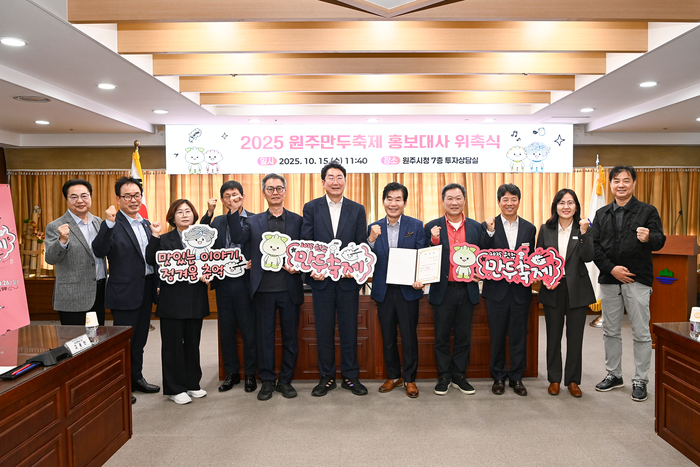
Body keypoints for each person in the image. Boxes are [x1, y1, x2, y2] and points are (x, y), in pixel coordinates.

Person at [591, 165, 665, 402]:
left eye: (625, 180)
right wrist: (612, 269)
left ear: (633, 183)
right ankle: (614, 375)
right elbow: (594, 247)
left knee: (641, 332)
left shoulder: (647, 211)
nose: (620, 185)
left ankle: (640, 380)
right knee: (610, 331)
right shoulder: (601, 214)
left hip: (637, 280)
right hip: (609, 279)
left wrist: (649, 237)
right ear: (611, 184)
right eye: (616, 180)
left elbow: (660, 240)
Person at [227, 174, 305, 401]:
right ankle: (268, 381)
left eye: (279, 188)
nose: (275, 192)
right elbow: (238, 237)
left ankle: (286, 381)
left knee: (290, 339)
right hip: (262, 290)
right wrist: (234, 211)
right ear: (263, 193)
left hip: (289, 289)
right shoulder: (253, 221)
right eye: (270, 189)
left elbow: (306, 249)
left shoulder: (298, 221)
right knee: (265, 339)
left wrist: (298, 267)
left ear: (285, 191)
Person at [301, 160, 369, 396]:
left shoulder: (357, 209)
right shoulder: (311, 207)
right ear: (323, 182)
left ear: (345, 181)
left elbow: (361, 244)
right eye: (330, 177)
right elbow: (307, 243)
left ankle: (351, 376)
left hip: (348, 281)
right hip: (322, 281)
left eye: (339, 177)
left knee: (350, 330)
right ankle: (327, 377)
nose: (335, 181)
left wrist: (355, 267)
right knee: (324, 330)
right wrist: (313, 268)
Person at [92, 176, 160, 403]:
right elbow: (99, 250)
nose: (133, 200)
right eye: (127, 196)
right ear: (118, 199)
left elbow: (151, 258)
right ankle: (121, 384)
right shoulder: (113, 224)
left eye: (136, 195)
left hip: (146, 288)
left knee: (140, 340)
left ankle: (136, 377)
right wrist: (108, 224)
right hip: (124, 292)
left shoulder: (146, 224)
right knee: (124, 342)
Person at [424, 183, 486, 396]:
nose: (454, 202)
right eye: (449, 198)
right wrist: (433, 240)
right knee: (441, 336)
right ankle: (444, 376)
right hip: (443, 290)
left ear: (464, 200)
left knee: (463, 335)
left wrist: (480, 272)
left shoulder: (476, 227)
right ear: (443, 201)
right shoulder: (432, 227)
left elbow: (483, 256)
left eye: (458, 198)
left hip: (467, 290)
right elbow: (424, 257)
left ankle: (459, 375)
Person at [146, 200, 209, 405]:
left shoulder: (203, 239)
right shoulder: (164, 239)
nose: (184, 215)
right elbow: (150, 259)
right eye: (179, 212)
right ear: (172, 217)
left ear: (194, 215)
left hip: (195, 298)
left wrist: (209, 272)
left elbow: (211, 262)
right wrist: (154, 236)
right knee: (173, 346)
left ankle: (192, 384)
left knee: (193, 343)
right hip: (172, 300)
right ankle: (175, 388)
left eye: (188, 211)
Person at [368, 182, 426, 398]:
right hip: (384, 291)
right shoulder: (373, 227)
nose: (393, 204)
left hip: (408, 290)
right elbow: (365, 256)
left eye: (398, 199)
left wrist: (421, 278)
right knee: (388, 337)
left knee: (409, 337)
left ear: (404, 202)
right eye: (389, 199)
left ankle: (410, 379)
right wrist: (370, 240)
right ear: (383, 201)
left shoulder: (416, 225)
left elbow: (422, 255)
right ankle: (393, 376)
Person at [536, 189, 596, 397]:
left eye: (570, 202)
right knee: (553, 336)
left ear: (576, 207)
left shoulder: (584, 228)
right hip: (552, 288)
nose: (566, 206)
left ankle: (573, 380)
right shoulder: (546, 229)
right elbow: (539, 259)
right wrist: (545, 278)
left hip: (577, 289)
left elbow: (588, 257)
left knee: (575, 337)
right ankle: (554, 379)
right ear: (556, 206)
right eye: (562, 202)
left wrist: (585, 233)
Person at [201, 181, 257, 393]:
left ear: (242, 196)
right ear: (223, 200)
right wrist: (209, 212)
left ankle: (250, 373)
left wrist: (254, 261)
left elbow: (260, 247)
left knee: (249, 330)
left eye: (235, 194)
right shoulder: (217, 221)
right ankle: (231, 373)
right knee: (227, 330)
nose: (232, 198)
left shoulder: (255, 219)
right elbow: (201, 236)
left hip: (246, 282)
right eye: (227, 196)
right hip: (223, 282)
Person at [481, 183, 537, 396]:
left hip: (521, 292)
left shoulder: (529, 228)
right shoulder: (488, 225)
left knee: (518, 336)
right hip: (496, 292)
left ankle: (516, 378)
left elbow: (531, 259)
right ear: (499, 202)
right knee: (497, 337)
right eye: (505, 199)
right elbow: (482, 254)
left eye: (513, 199)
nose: (509, 203)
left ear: (519, 201)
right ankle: (498, 377)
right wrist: (489, 232)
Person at [44, 179, 107, 326]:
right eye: (74, 197)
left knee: (98, 336)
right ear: (66, 199)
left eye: (84, 196)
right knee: (75, 338)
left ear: (90, 197)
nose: (80, 200)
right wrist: (62, 241)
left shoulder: (98, 222)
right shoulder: (56, 226)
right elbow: (50, 258)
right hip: (72, 295)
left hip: (99, 292)